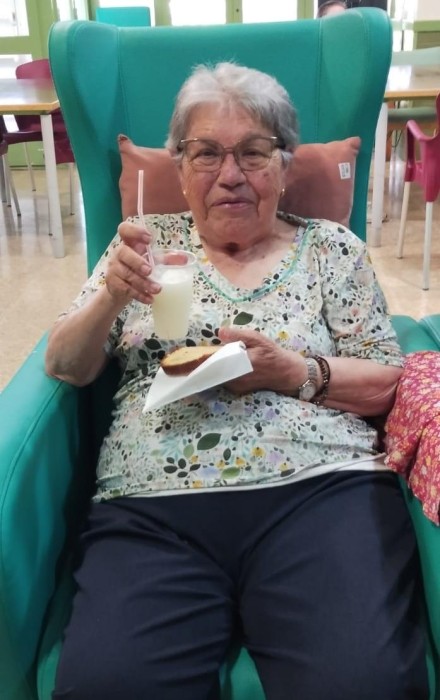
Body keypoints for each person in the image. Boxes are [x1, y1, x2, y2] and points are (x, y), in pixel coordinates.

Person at [46, 62, 428, 700]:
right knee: (107, 684)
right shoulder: (142, 248)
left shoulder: (331, 249)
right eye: (205, 154)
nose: (230, 175)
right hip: (153, 506)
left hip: (321, 492)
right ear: (179, 167)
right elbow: (64, 364)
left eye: (253, 152)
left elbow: (387, 379)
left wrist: (295, 372)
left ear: (284, 165)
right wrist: (110, 297)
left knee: (363, 682)